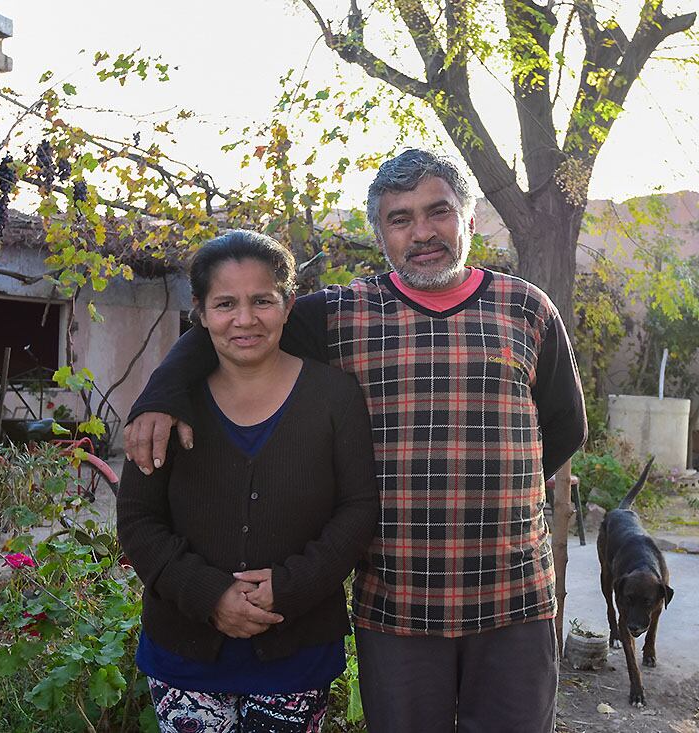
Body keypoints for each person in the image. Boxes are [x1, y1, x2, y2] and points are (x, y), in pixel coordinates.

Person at [127, 149, 586, 733]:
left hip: (513, 598)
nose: (422, 233)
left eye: (438, 212)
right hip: (396, 606)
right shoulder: (338, 315)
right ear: (380, 234)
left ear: (468, 221)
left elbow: (563, 428)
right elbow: (234, 321)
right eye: (400, 219)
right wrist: (159, 396)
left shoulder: (527, 309)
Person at [116, 230, 378, 733]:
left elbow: (358, 507)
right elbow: (137, 518)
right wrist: (209, 594)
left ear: (288, 305)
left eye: (263, 301)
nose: (244, 319)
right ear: (200, 311)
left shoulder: (335, 397)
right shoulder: (168, 406)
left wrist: (291, 584)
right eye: (225, 303)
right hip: (184, 649)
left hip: (295, 648)